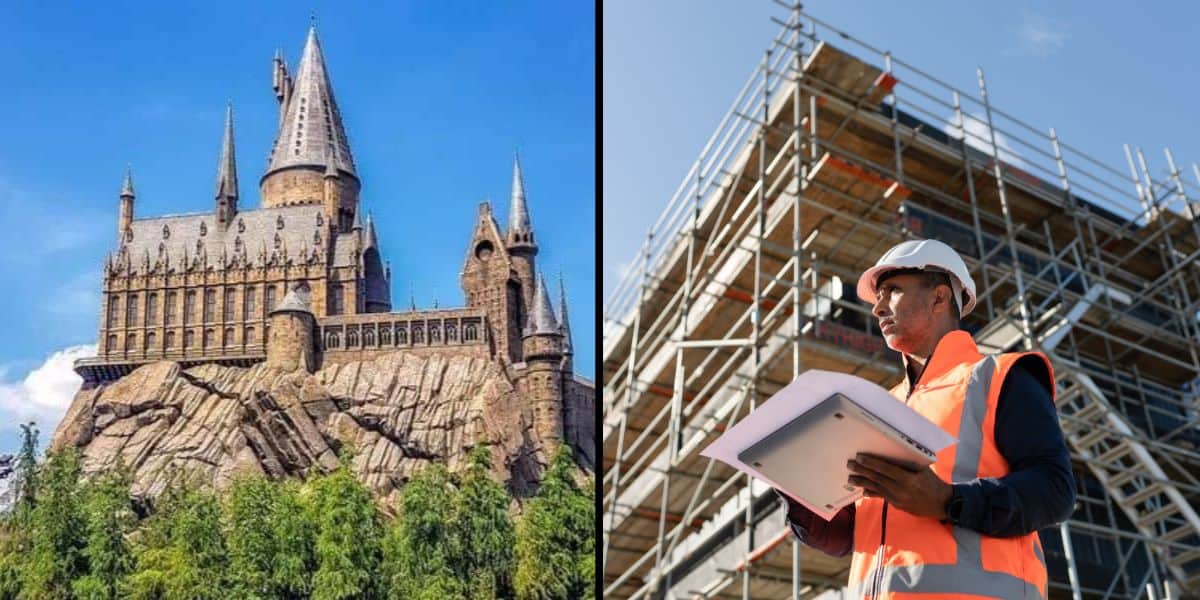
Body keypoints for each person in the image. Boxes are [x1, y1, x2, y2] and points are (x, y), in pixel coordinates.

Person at [775, 238, 1076, 599]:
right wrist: (795, 487)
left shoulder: (998, 377)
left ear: (939, 297)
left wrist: (949, 500)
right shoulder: (879, 406)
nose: (878, 308)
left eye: (892, 291)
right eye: (878, 297)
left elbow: (1055, 490)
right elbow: (845, 538)